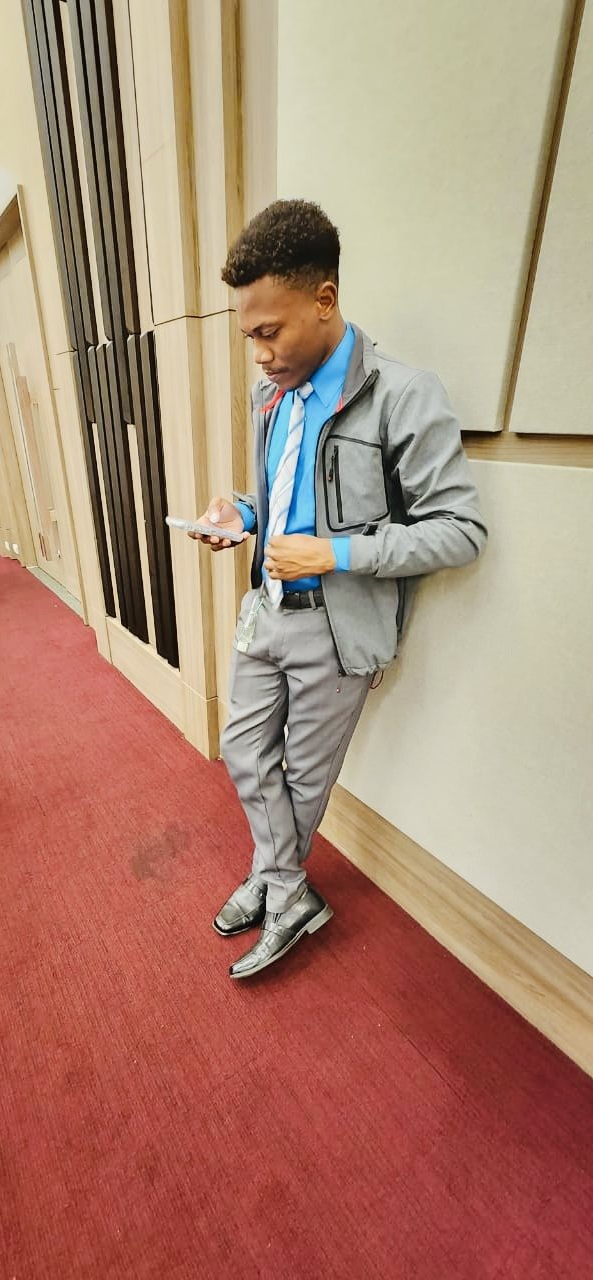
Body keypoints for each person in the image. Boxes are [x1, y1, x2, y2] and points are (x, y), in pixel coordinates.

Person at [191, 200, 487, 980]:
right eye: (248, 334)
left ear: (324, 300)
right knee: (243, 750)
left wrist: (336, 553)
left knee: (301, 776)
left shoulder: (403, 395)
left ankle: (276, 882)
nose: (258, 353)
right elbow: (277, 496)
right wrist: (240, 514)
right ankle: (289, 887)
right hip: (268, 607)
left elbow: (459, 530)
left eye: (269, 330)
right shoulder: (273, 397)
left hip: (337, 625)